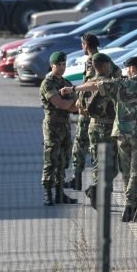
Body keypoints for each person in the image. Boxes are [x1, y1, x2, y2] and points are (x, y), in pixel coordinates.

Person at [62, 56, 137, 222]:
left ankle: (132, 207)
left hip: (121, 135)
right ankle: (131, 206)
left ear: (132, 69)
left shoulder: (120, 84)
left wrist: (73, 88)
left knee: (127, 172)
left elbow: (95, 85)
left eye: (127, 68)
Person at [82, 52, 122, 209]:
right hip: (108, 127)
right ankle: (99, 194)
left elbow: (81, 109)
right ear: (105, 65)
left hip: (93, 126)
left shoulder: (87, 84)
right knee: (110, 164)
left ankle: (97, 191)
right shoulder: (110, 84)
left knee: (98, 162)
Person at [39, 51, 79, 206]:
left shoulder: (66, 82)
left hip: (64, 125)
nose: (62, 67)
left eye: (64, 64)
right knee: (51, 160)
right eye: (59, 65)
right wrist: (72, 99)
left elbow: (76, 108)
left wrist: (70, 99)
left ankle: (59, 193)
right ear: (52, 65)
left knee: (63, 161)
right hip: (52, 126)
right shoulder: (47, 83)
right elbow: (60, 104)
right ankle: (47, 193)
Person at [64, 33, 101, 191]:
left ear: (85, 44)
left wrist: (77, 98)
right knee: (95, 146)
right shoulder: (103, 58)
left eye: (82, 44)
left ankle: (78, 179)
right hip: (98, 110)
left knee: (81, 144)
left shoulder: (92, 60)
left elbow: (92, 84)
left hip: (89, 110)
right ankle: (96, 182)